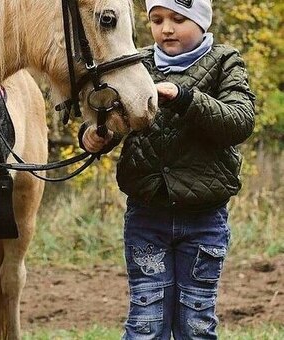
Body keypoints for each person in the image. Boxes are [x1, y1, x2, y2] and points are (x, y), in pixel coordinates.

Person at [79, 0, 255, 339]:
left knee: (196, 320)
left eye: (178, 18)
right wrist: (94, 136)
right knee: (146, 319)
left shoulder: (225, 62)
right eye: (157, 20)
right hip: (147, 217)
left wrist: (185, 97)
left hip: (204, 220)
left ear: (202, 21)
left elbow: (240, 121)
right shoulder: (137, 64)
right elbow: (114, 119)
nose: (166, 28)